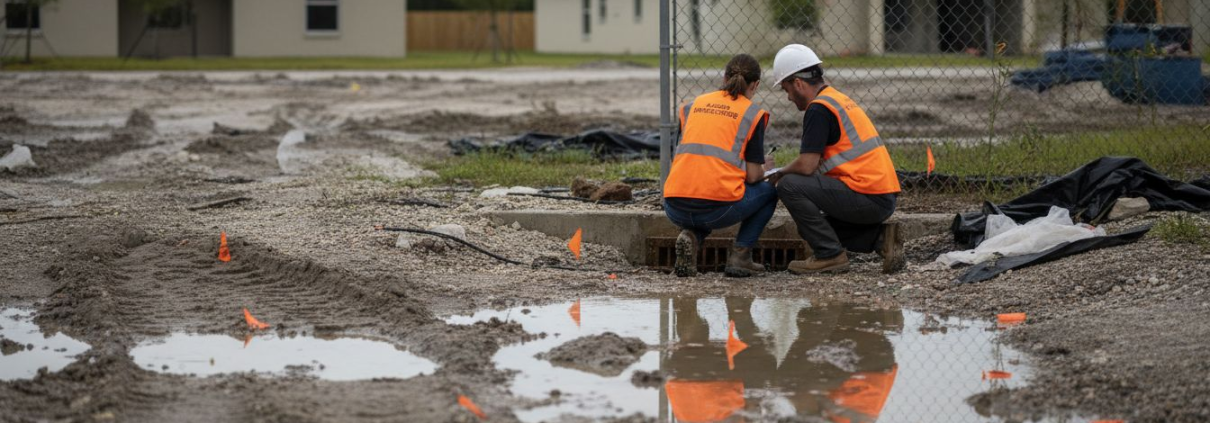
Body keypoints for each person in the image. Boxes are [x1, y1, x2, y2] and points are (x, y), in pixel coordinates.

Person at [766, 44, 905, 274]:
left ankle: (830, 256)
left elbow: (807, 165)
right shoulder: (836, 99)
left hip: (867, 196)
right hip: (881, 195)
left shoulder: (818, 110)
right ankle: (881, 240)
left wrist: (779, 173)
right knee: (811, 228)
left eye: (786, 89)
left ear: (798, 83)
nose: (789, 97)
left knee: (789, 185)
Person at [663, 53, 778, 278]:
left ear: (724, 77)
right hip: (716, 211)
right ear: (755, 85)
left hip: (674, 206)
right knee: (770, 192)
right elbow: (754, 176)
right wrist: (766, 167)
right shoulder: (752, 114)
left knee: (704, 193)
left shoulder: (691, 107)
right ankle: (741, 257)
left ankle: (692, 238)